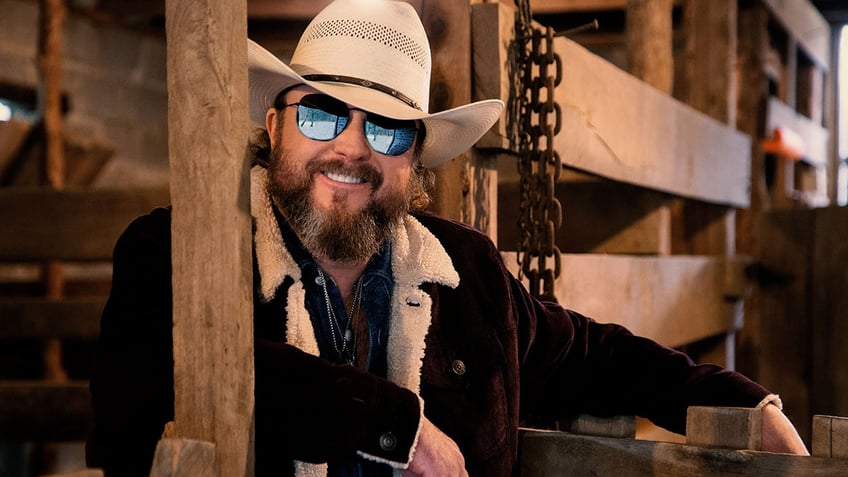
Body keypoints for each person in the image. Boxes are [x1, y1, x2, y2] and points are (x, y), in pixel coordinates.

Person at [87, 0, 809, 475]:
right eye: (320, 115)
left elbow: (592, 352)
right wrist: (395, 427)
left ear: (417, 159)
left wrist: (744, 404)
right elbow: (160, 378)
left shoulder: (468, 273)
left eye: (387, 128)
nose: (350, 149)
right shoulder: (175, 252)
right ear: (272, 126)